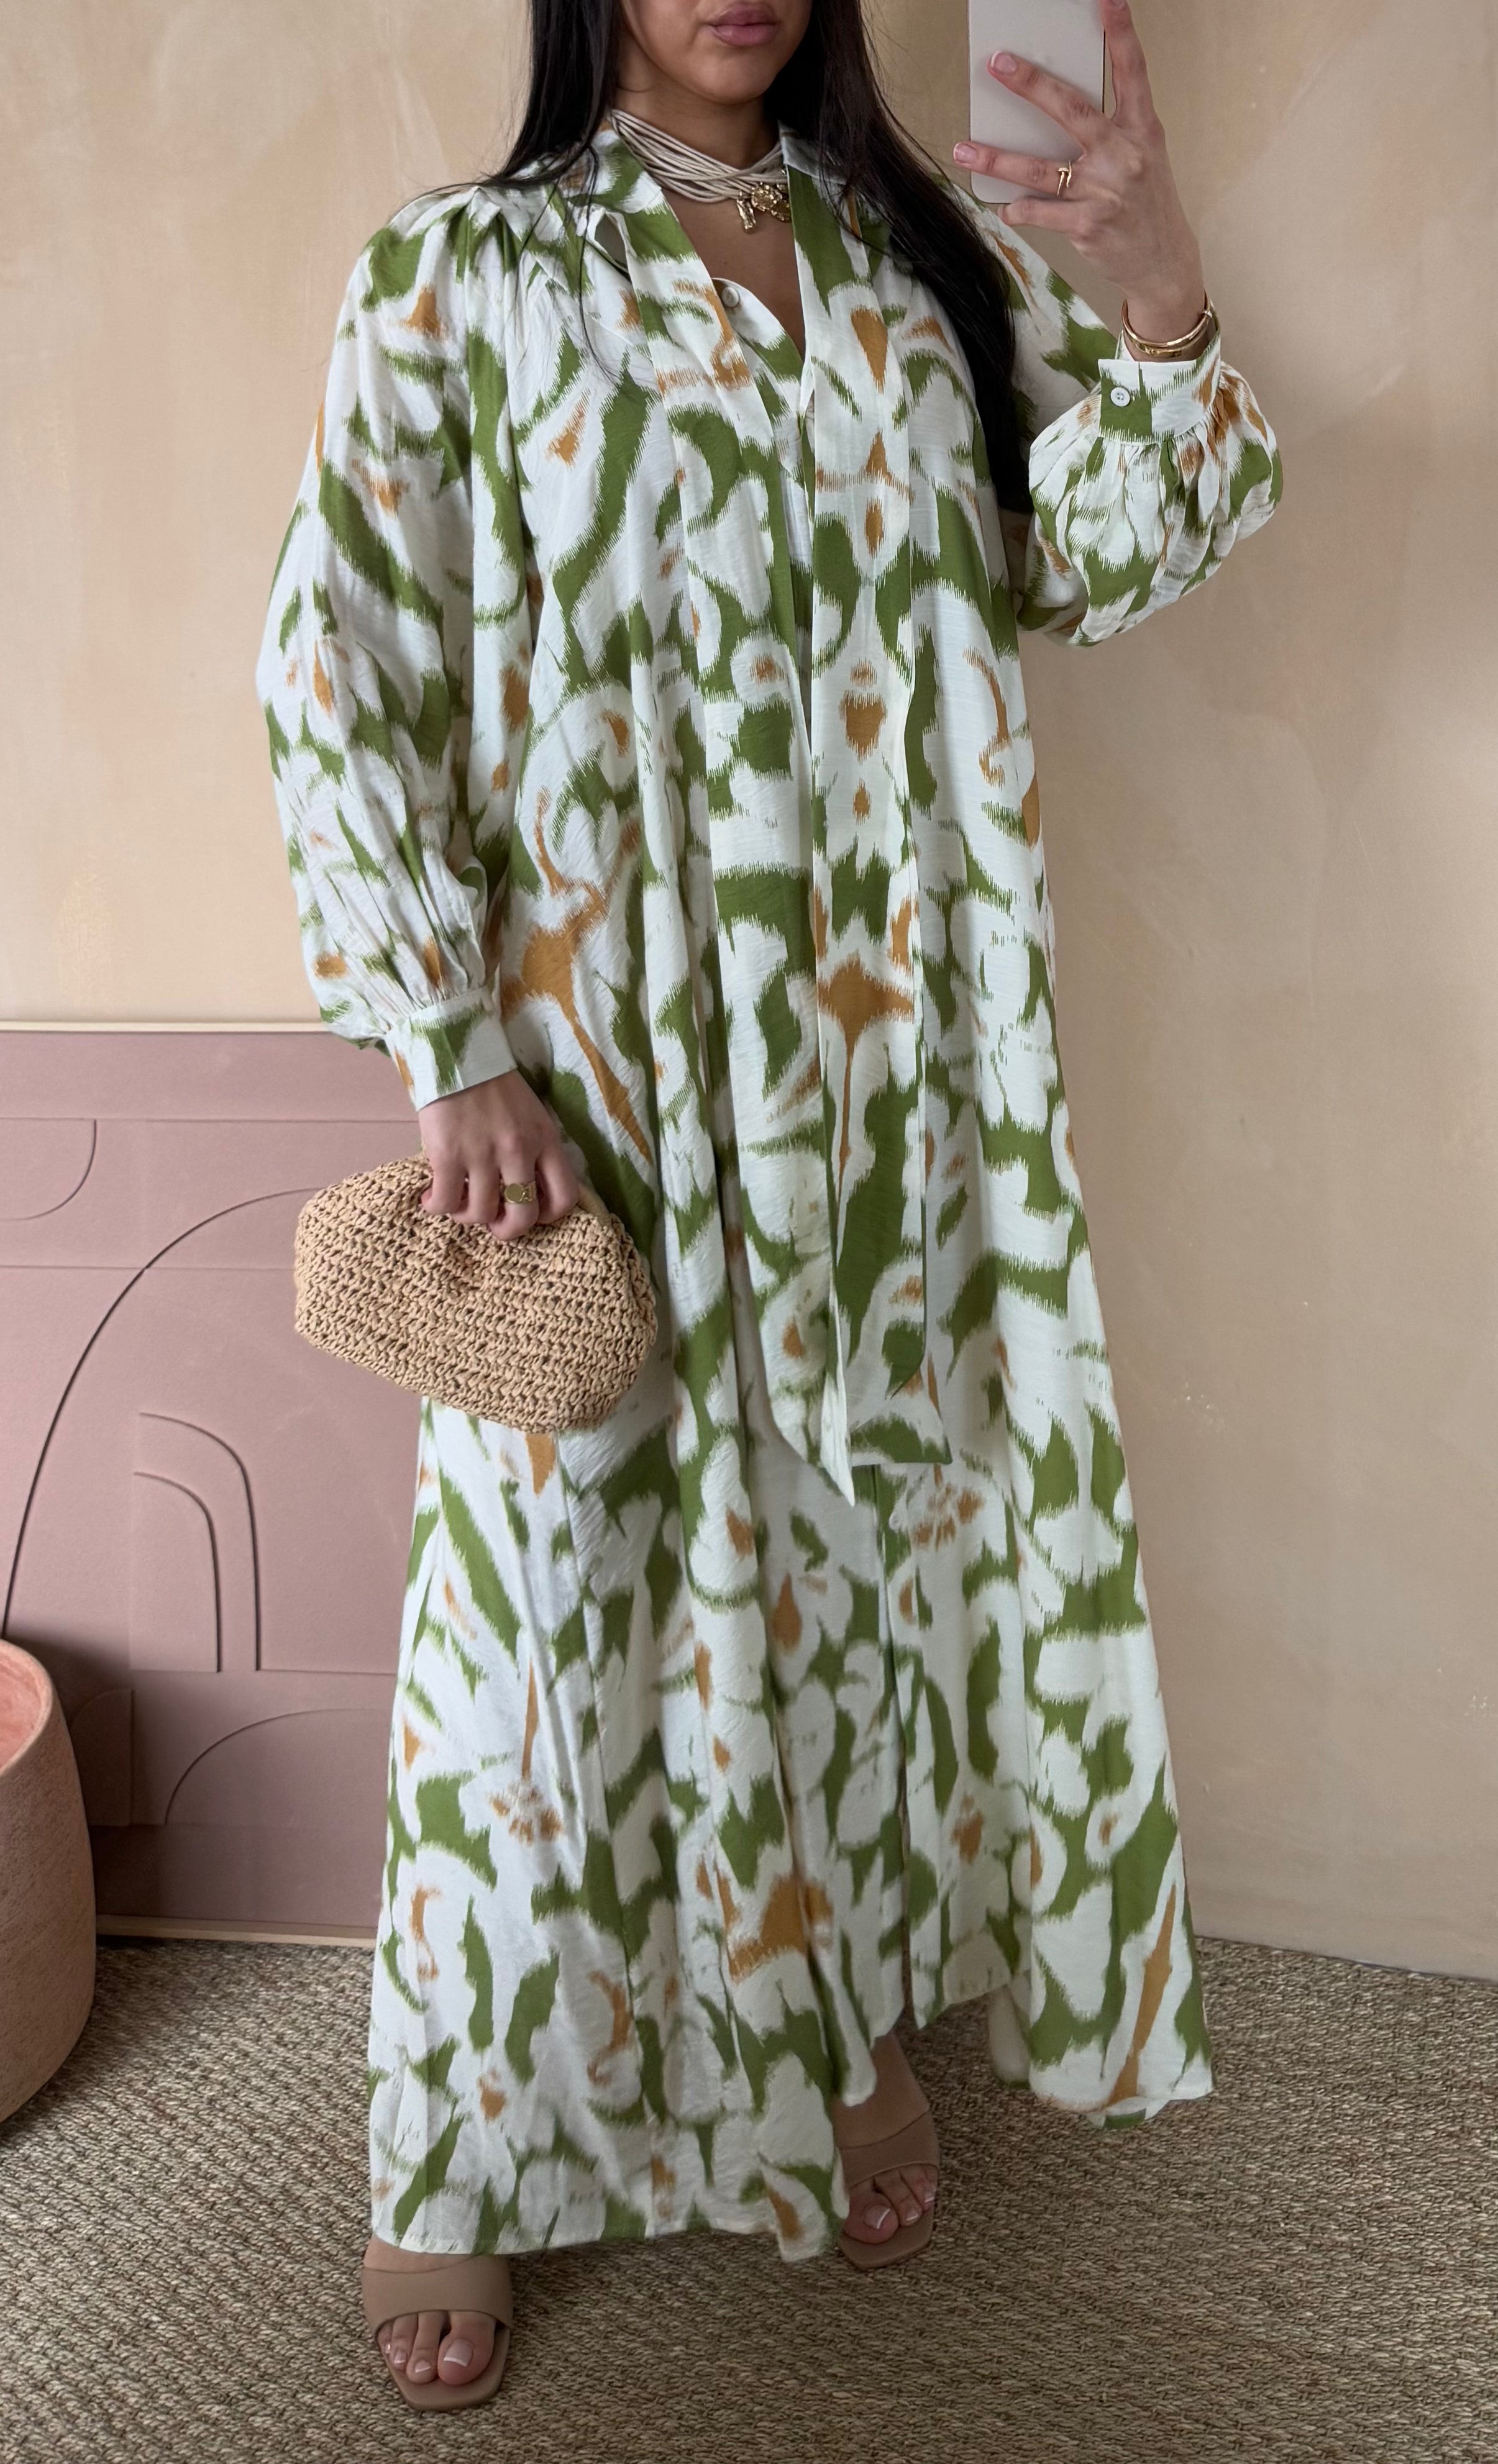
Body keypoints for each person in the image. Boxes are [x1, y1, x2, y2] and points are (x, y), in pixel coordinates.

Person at [255, 0, 1281, 2412]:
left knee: (847, 1572)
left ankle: (817, 2028)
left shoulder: (918, 263)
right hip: (596, 1075)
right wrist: (447, 1041)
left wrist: (1154, 284)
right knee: (542, 1612)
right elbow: (339, 665)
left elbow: (1083, 563)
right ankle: (457, 2148)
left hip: (882, 1069)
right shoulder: (460, 274)